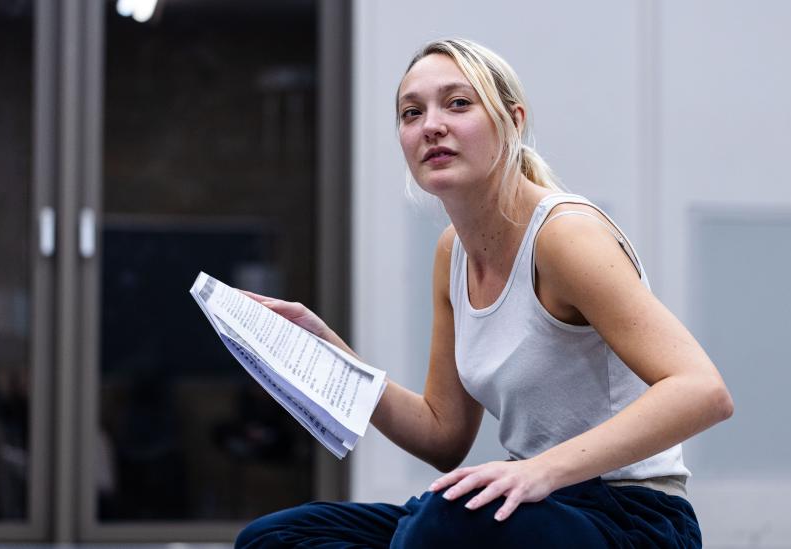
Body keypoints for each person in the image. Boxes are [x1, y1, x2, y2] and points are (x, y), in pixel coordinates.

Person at [235, 38, 733, 548]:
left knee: (441, 523)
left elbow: (702, 391)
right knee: (276, 537)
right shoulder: (453, 252)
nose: (431, 125)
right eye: (412, 113)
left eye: (457, 103)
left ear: (513, 121)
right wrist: (326, 350)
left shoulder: (564, 236)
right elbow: (442, 436)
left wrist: (539, 472)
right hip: (538, 504)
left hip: (632, 515)